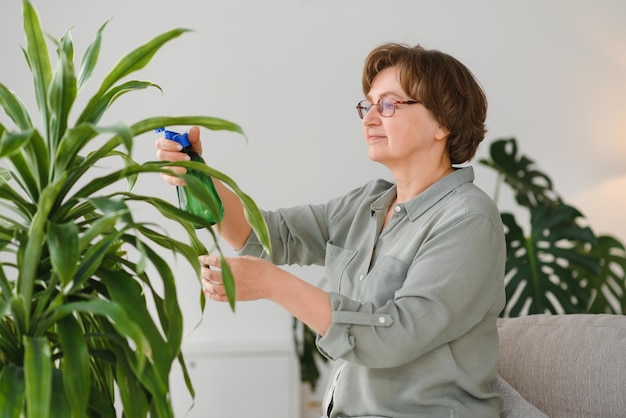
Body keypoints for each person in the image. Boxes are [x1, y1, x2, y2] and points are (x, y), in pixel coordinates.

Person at [156, 43, 506, 418]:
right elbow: (264, 235)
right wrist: (196, 176)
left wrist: (274, 284)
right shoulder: (365, 205)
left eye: (388, 105)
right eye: (367, 105)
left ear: (443, 123)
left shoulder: (468, 220)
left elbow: (394, 334)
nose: (369, 118)